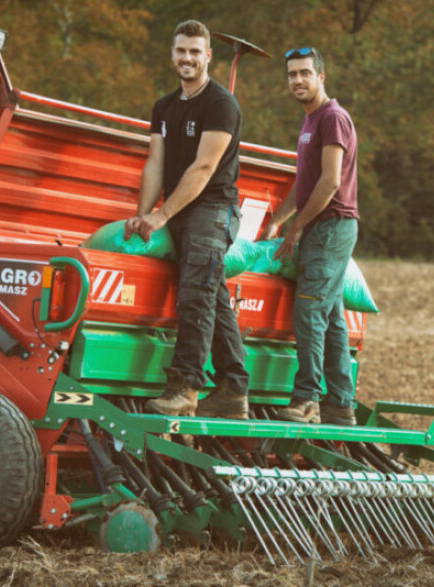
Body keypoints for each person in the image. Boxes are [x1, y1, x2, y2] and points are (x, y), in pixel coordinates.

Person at [125, 20, 249, 419]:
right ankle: (233, 389)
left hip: (214, 209)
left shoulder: (221, 104)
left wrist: (161, 215)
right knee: (212, 294)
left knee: (195, 291)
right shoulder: (163, 107)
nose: (188, 58)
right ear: (172, 53)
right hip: (179, 209)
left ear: (208, 55)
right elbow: (155, 164)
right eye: (182, 50)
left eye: (196, 52)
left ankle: (186, 388)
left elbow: (204, 167)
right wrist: (143, 214)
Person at [263, 47, 359, 426]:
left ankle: (306, 399)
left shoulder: (332, 118)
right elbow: (303, 182)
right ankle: (339, 403)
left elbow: (330, 181)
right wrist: (278, 219)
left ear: (322, 76)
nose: (298, 80)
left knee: (309, 311)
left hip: (330, 227)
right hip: (323, 226)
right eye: (292, 74)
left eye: (305, 73)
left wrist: (298, 226)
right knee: (331, 316)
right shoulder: (311, 120)